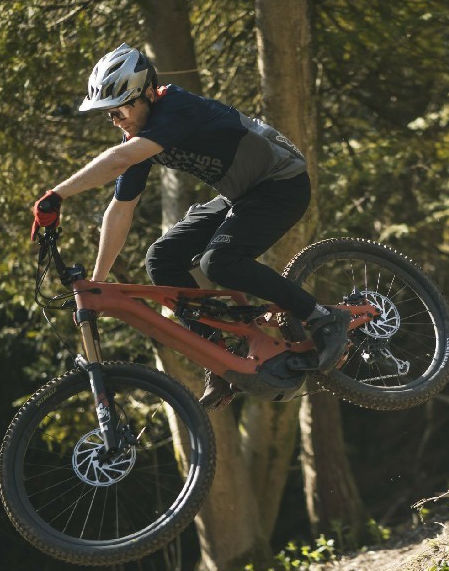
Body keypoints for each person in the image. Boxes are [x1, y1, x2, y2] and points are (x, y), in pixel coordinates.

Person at [30, 43, 350, 409]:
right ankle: (218, 357)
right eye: (110, 115)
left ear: (149, 93)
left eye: (121, 109)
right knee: (162, 259)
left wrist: (57, 193)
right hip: (241, 194)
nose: (118, 120)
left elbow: (119, 158)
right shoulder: (139, 137)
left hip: (282, 183)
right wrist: (99, 283)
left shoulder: (176, 108)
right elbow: (121, 208)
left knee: (220, 261)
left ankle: (323, 317)